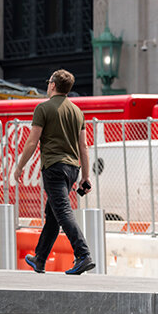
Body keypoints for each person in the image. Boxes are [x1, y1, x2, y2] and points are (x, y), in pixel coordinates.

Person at [13, 69, 95, 275]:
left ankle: (83, 254)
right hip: (72, 170)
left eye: (49, 81)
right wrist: (85, 176)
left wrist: (19, 166)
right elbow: (83, 147)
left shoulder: (43, 108)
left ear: (53, 85)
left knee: (63, 212)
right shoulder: (77, 112)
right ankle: (40, 259)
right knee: (53, 214)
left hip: (54, 168)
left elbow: (32, 141)